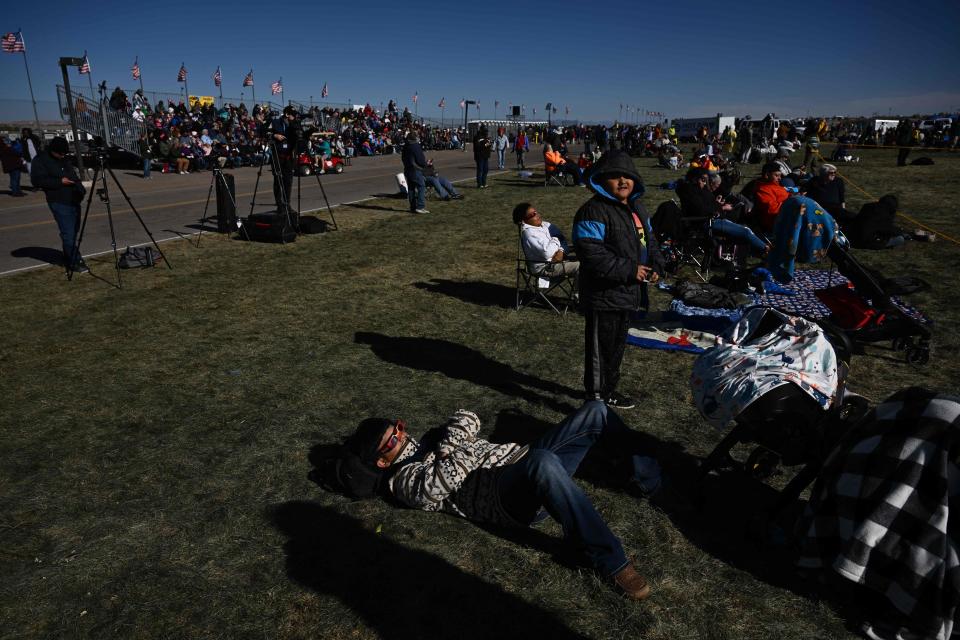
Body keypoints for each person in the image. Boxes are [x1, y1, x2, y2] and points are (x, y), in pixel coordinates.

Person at [333, 402, 666, 600]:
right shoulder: (401, 479)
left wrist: (449, 444)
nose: (403, 435)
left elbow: (468, 416)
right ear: (381, 460)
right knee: (542, 463)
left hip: (522, 460)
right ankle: (610, 561)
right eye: (393, 439)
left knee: (595, 411)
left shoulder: (434, 442)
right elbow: (439, 483)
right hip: (505, 496)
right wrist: (455, 449)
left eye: (400, 427)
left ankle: (649, 483)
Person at [572, 150, 664, 409]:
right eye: (615, 177)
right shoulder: (592, 211)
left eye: (628, 176)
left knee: (616, 348)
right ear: (601, 180)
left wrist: (656, 265)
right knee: (600, 351)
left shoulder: (638, 208)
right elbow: (591, 253)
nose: (623, 181)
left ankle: (609, 391)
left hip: (628, 293)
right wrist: (629, 270)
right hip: (604, 295)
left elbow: (651, 241)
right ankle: (596, 398)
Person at [30, 137, 87, 273]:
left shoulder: (64, 159)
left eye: (64, 153)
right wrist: (60, 182)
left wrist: (80, 189)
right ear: (53, 151)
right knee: (68, 233)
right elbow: (37, 181)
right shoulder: (40, 160)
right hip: (59, 201)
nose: (63, 155)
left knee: (73, 232)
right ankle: (74, 261)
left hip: (73, 200)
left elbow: (73, 175)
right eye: (60, 153)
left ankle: (67, 255)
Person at [513, 202, 579, 280]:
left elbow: (562, 240)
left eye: (536, 212)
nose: (537, 215)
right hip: (545, 267)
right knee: (581, 266)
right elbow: (547, 253)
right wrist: (555, 239)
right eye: (532, 215)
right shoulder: (529, 234)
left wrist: (560, 250)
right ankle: (579, 292)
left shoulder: (545, 225)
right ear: (524, 221)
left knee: (588, 260)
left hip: (556, 261)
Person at [268, 106, 301, 215]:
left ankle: (287, 204)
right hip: (278, 156)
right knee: (278, 181)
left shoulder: (295, 124)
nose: (294, 116)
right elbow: (263, 132)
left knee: (288, 182)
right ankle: (279, 205)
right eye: (292, 114)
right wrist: (274, 135)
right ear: (287, 114)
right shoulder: (275, 122)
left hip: (289, 158)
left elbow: (300, 136)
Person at [400, 131, 429, 214]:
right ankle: (420, 206)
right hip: (415, 170)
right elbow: (420, 159)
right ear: (415, 138)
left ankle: (412, 207)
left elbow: (403, 158)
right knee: (421, 186)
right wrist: (424, 164)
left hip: (407, 169)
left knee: (411, 188)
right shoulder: (415, 146)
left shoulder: (406, 146)